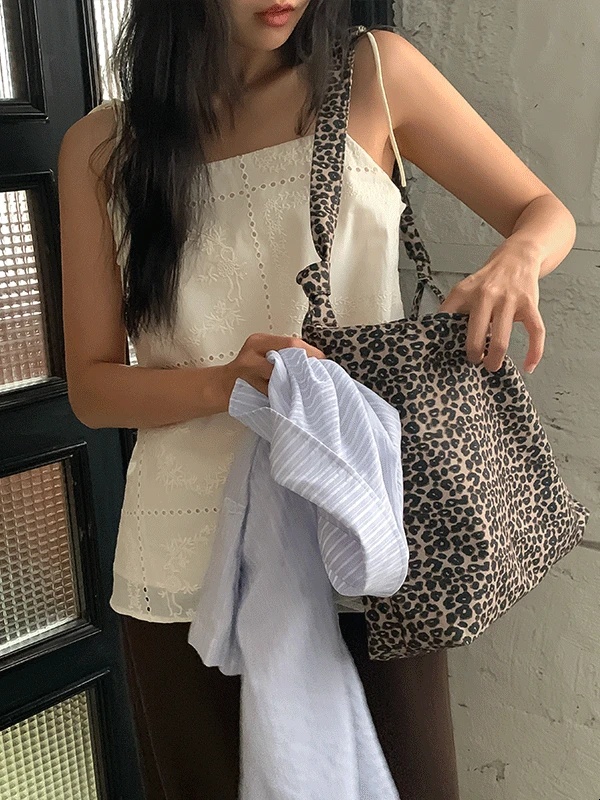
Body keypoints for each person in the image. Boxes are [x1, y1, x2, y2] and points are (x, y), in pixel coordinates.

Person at [58, 2, 577, 799]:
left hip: (363, 537)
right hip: (182, 562)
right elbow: (93, 389)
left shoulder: (374, 74)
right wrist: (225, 383)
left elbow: (543, 212)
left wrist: (518, 260)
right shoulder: (103, 144)